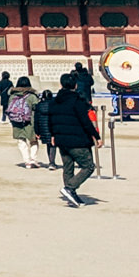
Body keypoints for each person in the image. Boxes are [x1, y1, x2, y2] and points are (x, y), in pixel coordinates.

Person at [47, 72, 101, 206]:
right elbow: (85, 121)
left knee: (68, 167)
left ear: (61, 84)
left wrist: (52, 135)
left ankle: (72, 194)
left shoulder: (54, 101)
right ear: (75, 85)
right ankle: (70, 188)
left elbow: (51, 119)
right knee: (88, 166)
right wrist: (96, 136)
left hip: (61, 138)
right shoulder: (77, 101)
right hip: (77, 139)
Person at [3, 76, 40, 166]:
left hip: (16, 121)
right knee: (33, 140)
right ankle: (33, 159)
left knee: (21, 140)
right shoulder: (32, 96)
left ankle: (27, 160)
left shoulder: (12, 96)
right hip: (30, 121)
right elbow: (37, 108)